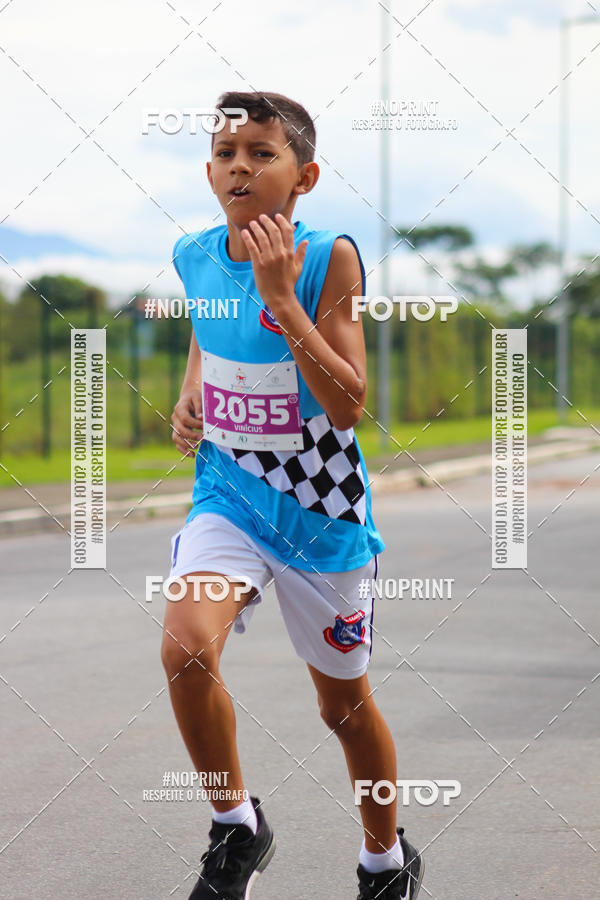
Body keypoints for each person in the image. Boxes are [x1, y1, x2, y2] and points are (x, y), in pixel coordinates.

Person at [161, 90, 424, 900]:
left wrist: (282, 302)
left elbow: (346, 405)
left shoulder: (327, 259)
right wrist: (191, 389)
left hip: (320, 512)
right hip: (230, 494)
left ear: (303, 176)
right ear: (210, 171)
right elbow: (209, 330)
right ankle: (236, 825)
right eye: (225, 153)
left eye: (261, 153)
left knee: (342, 708)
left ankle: (385, 859)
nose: (239, 166)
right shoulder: (193, 254)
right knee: (185, 649)